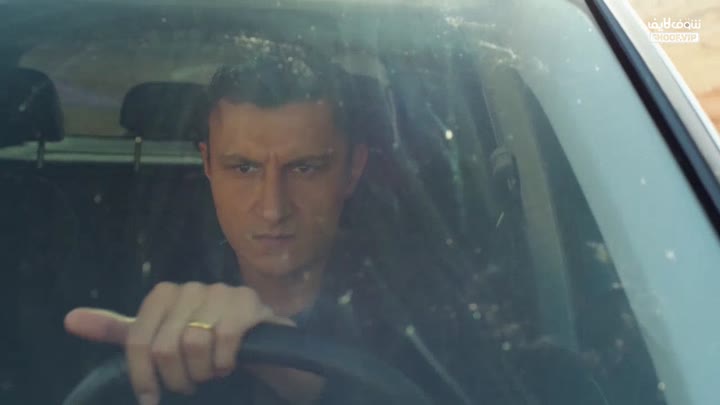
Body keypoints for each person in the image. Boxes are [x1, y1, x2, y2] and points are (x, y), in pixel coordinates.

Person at [63, 45, 376, 405]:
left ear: (353, 169)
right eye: (244, 168)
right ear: (208, 164)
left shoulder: (412, 313)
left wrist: (309, 384)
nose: (273, 210)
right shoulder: (134, 293)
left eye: (305, 168)